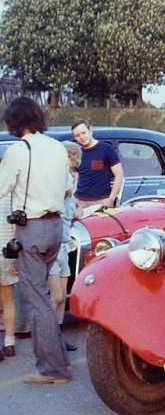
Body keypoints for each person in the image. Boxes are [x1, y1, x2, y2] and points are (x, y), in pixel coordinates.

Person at [0, 97, 72, 383]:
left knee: (37, 299)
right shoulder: (57, 147)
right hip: (55, 227)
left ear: (15, 122)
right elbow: (68, 186)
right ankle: (61, 360)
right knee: (44, 295)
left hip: (33, 228)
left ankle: (51, 369)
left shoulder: (20, 150)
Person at [48, 141, 80, 352]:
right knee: (57, 295)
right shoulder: (57, 180)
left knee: (62, 295)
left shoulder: (69, 179)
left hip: (65, 241)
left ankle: (57, 334)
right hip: (55, 241)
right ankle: (48, 335)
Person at [71, 119, 123, 211]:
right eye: (77, 135)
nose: (81, 137)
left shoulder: (106, 149)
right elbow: (75, 177)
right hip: (80, 203)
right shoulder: (77, 153)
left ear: (90, 130)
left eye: (83, 133)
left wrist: (111, 199)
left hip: (101, 202)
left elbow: (119, 175)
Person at [0, 190, 17, 359]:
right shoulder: (10, 194)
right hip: (6, 252)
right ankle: (9, 342)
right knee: (8, 300)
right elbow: (15, 226)